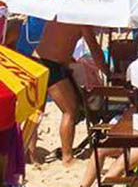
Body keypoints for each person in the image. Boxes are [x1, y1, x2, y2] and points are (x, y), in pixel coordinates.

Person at [34, 20, 109, 166]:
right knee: (70, 111)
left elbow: (57, 43)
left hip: (36, 60)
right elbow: (95, 50)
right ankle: (67, 157)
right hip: (52, 65)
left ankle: (30, 155)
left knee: (37, 111)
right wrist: (107, 72)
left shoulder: (58, 13)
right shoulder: (80, 19)